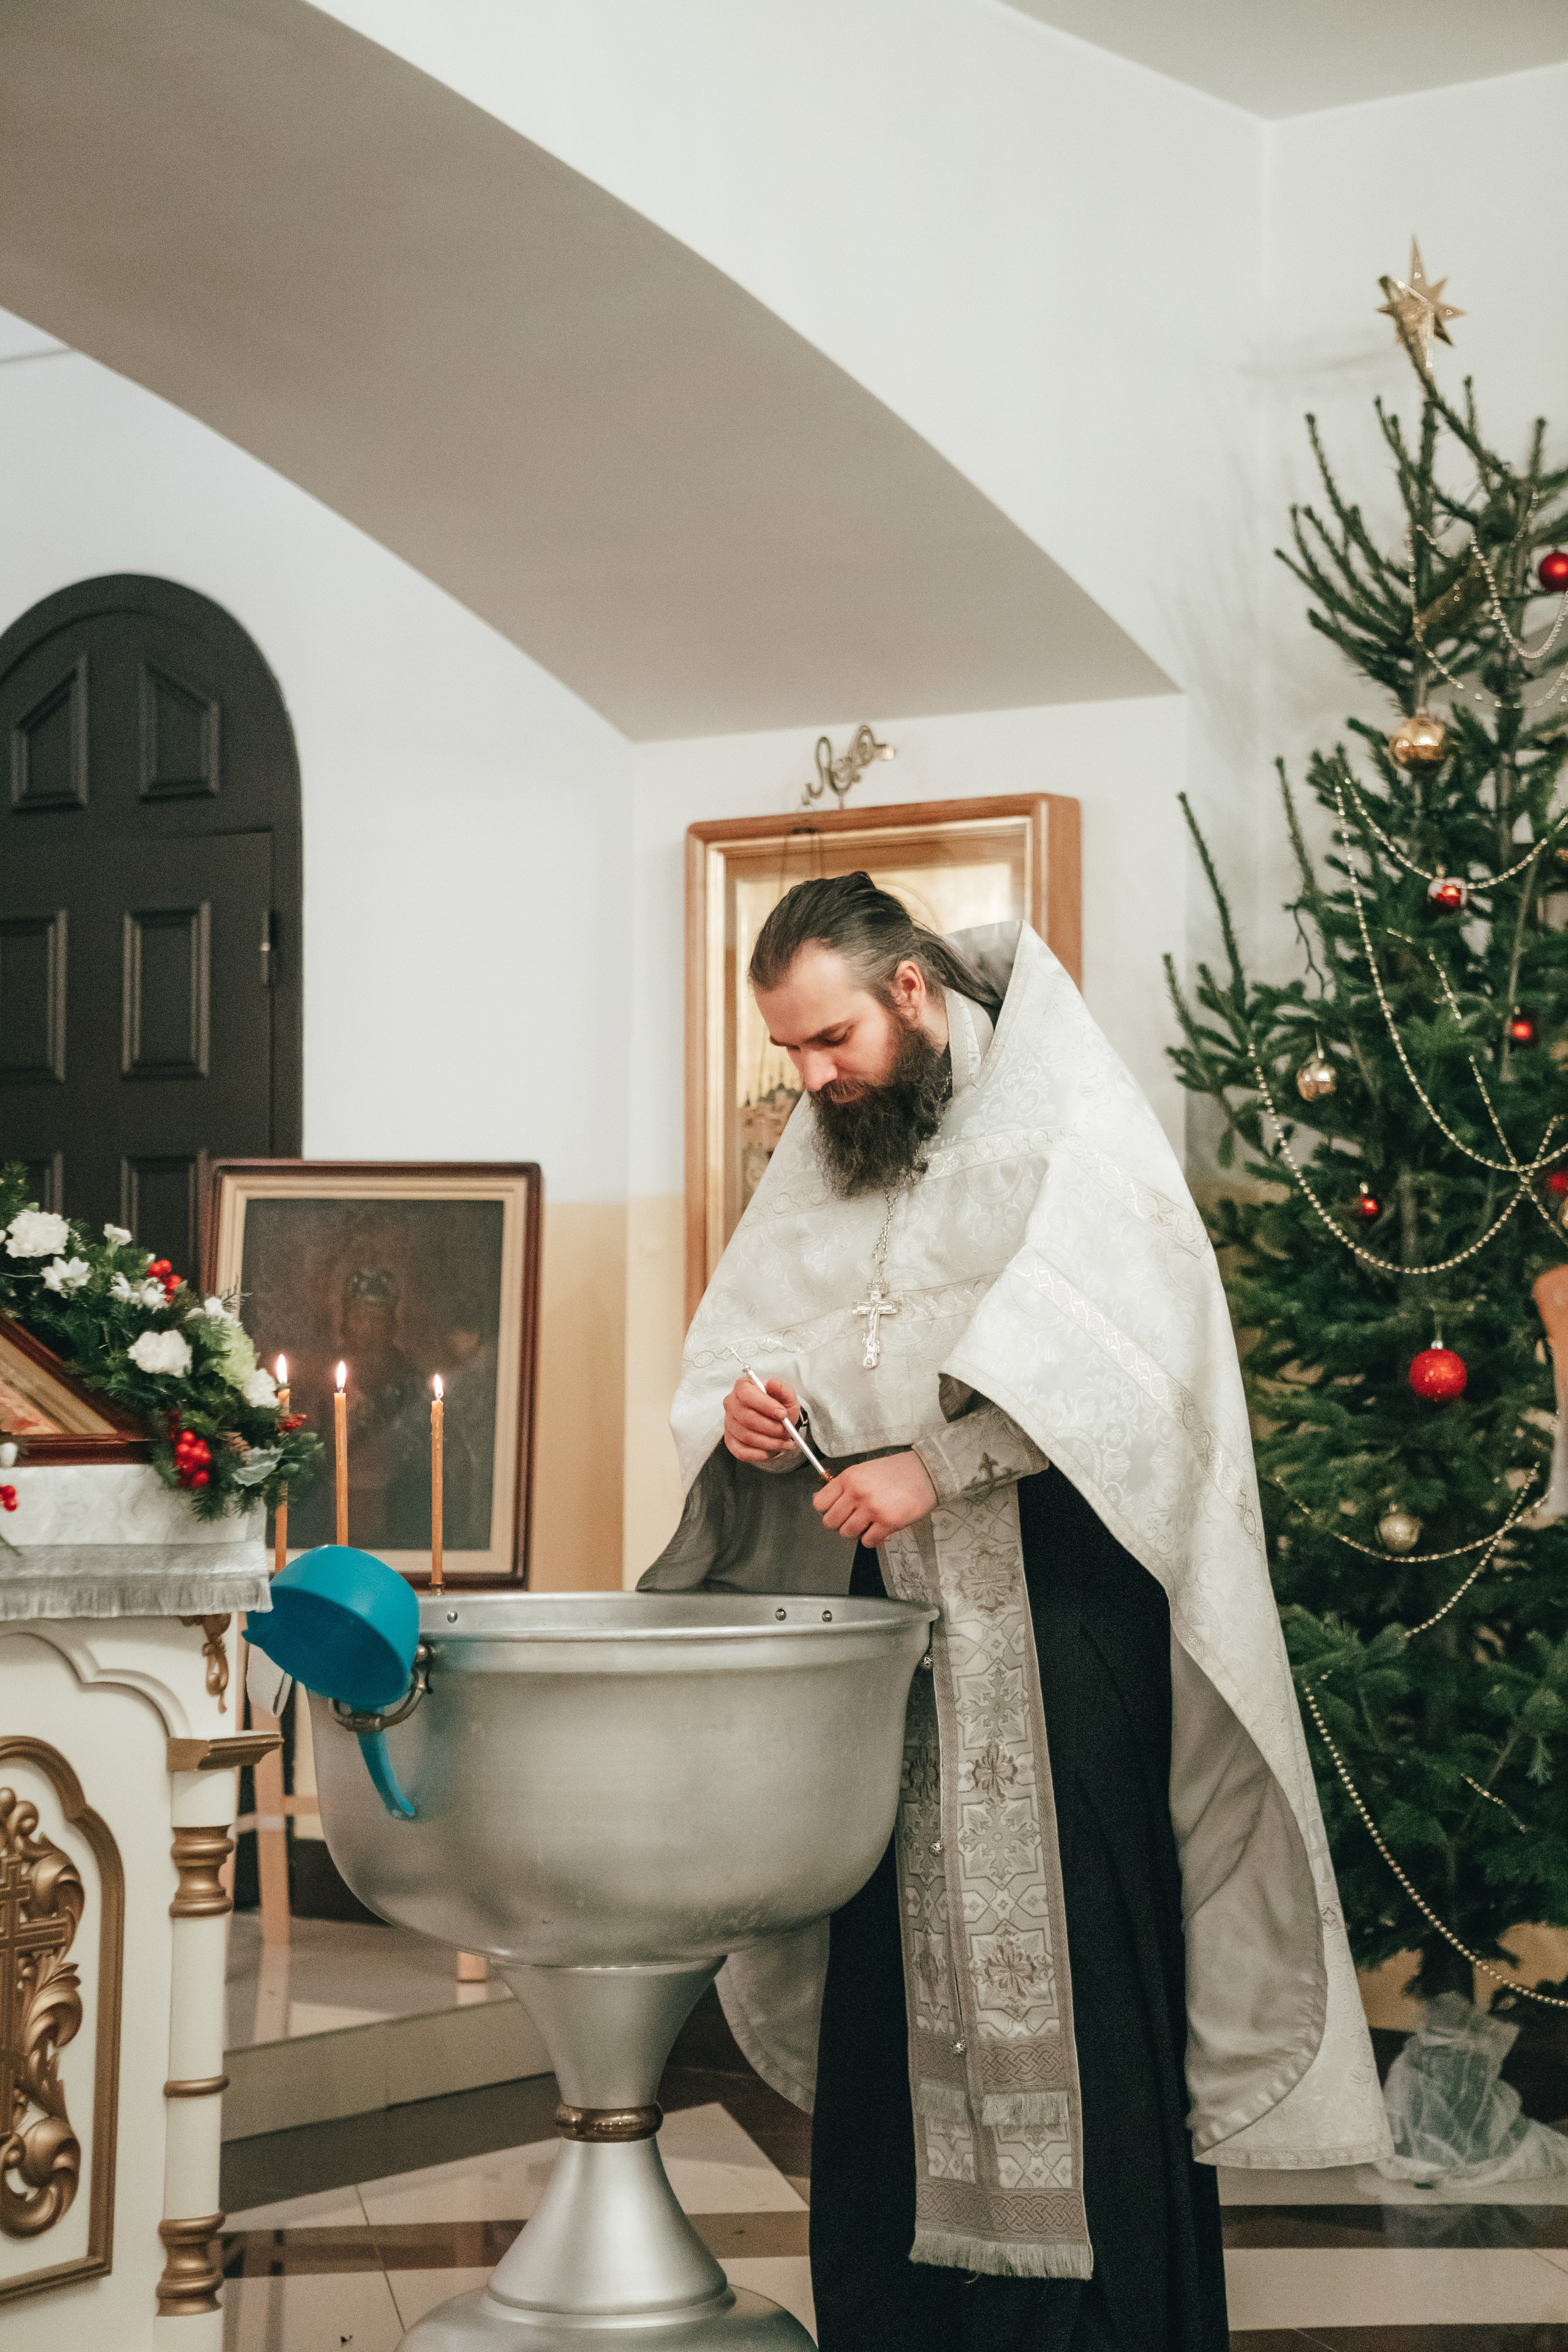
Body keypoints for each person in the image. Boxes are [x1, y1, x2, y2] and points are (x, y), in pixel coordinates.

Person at [641, 873, 1389, 2351]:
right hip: (891, 1636)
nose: (808, 1078)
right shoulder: (835, 1145)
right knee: (883, 1962)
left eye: (828, 1039)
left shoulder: (1067, 1117)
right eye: (788, 1050)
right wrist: (742, 1416)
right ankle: (902, 2318)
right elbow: (762, 1331)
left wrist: (944, 1465)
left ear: (909, 992)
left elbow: (1137, 1368)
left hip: (1064, 1617)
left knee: (1088, 1959)